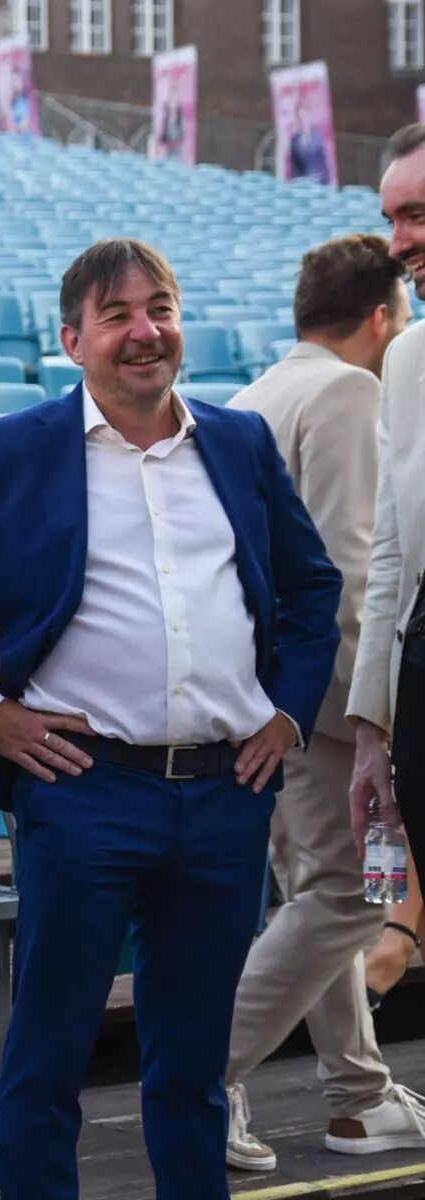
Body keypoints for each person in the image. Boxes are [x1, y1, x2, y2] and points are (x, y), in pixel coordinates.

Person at [0, 238, 341, 1200]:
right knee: (48, 1057)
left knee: (195, 1066)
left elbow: (311, 590)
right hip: (84, 792)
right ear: (71, 341)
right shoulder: (7, 448)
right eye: (117, 316)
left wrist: (287, 716)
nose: (145, 332)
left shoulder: (239, 441)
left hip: (224, 796)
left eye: (160, 309)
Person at [223, 233, 424, 1170]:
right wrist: (374, 719)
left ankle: (358, 1096)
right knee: (348, 897)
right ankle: (198, 1075)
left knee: (324, 896)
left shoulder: (255, 393)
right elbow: (353, 568)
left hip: (267, 700)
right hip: (328, 706)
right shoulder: (349, 391)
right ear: (382, 318)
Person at [353, 122, 425, 1046]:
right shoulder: (406, 361)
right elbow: (392, 557)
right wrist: (374, 731)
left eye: (420, 214)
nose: (401, 240)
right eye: (393, 219)